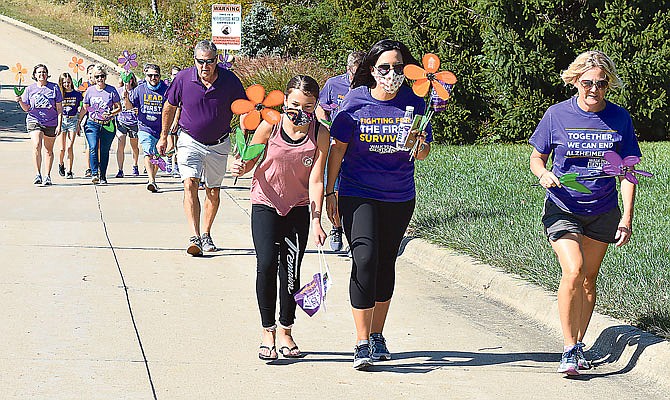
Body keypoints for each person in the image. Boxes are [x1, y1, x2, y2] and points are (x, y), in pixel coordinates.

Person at [529, 50, 641, 376]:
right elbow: (537, 157)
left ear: (608, 85)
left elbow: (629, 173)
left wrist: (627, 219)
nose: (594, 89)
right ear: (576, 80)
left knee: (589, 280)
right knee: (574, 270)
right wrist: (542, 173)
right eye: (588, 82)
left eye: (601, 84)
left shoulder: (620, 118)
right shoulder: (557, 115)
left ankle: (578, 344)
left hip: (603, 210)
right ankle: (567, 348)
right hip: (563, 206)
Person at [325, 39, 432, 370]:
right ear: (371, 70)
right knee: (366, 258)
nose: (391, 74)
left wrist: (420, 144)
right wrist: (331, 193)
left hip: (398, 195)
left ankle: (376, 335)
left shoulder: (414, 103)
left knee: (385, 263)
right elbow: (337, 151)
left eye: (398, 68)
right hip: (358, 192)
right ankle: (360, 341)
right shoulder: (354, 103)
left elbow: (423, 153)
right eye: (384, 68)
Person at [231, 75, 329, 361]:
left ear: (315, 106)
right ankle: (267, 331)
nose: (301, 111)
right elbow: (250, 160)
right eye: (295, 104)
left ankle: (286, 331)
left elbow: (316, 180)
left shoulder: (320, 133)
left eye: (308, 106)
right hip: (266, 203)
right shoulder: (270, 125)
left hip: (297, 208)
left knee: (290, 271)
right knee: (266, 265)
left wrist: (317, 220)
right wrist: (241, 165)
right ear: (285, 100)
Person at [158, 40, 247, 255]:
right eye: (200, 62)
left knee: (213, 191)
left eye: (209, 61)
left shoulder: (230, 80)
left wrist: (243, 140)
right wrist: (164, 136)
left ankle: (206, 234)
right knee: (190, 184)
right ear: (194, 60)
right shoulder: (183, 79)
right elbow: (169, 106)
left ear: (217, 60)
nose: (205, 66)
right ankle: (194, 235)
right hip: (189, 140)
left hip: (219, 143)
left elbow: (244, 109)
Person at [317, 50, 365, 252]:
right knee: (334, 190)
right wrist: (324, 124)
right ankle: (336, 227)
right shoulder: (333, 84)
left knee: (355, 192)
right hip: (336, 145)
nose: (357, 79)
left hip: (358, 148)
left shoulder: (369, 87)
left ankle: (353, 233)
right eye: (354, 74)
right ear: (347, 70)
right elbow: (321, 108)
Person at [16, 64, 63, 186]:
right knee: (37, 144)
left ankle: (47, 176)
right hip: (34, 120)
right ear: (35, 75)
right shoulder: (30, 89)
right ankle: (38, 174)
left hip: (51, 122)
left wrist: (59, 125)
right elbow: (26, 108)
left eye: (44, 72)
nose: (42, 74)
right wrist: (20, 100)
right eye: (39, 72)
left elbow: (59, 109)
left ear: (47, 74)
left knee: (48, 150)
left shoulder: (54, 88)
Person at [76, 65, 122, 185]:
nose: (100, 79)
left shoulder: (111, 90)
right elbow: (84, 108)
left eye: (102, 76)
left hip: (107, 124)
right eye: (97, 77)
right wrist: (78, 122)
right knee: (93, 146)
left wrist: (111, 113)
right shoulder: (90, 91)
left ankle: (103, 175)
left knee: (104, 150)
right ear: (93, 78)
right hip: (92, 123)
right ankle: (94, 173)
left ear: (105, 77)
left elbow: (119, 107)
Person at [127, 64, 168, 192]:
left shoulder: (166, 90)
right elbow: (129, 106)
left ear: (160, 76)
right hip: (145, 127)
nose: (153, 78)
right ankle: (151, 180)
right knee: (148, 152)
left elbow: (173, 108)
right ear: (145, 76)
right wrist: (125, 96)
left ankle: (153, 179)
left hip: (161, 129)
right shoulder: (140, 89)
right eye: (150, 75)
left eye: (155, 75)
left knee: (157, 155)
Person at [57, 72, 83, 179]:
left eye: (68, 82)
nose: (66, 84)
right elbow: (57, 109)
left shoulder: (77, 94)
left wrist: (79, 123)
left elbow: (83, 107)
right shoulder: (60, 94)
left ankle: (70, 170)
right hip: (62, 121)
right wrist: (58, 125)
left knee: (69, 146)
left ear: (71, 82)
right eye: (64, 83)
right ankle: (61, 163)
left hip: (73, 120)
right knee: (62, 148)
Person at [115, 73, 140, 178]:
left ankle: (135, 164)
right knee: (121, 144)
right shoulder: (118, 91)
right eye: (124, 80)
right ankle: (120, 169)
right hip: (121, 121)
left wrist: (127, 98)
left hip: (133, 122)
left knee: (134, 146)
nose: (126, 83)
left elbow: (132, 107)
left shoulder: (136, 92)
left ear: (132, 80)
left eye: (128, 80)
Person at [166, 66, 182, 178]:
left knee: (178, 145)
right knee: (170, 144)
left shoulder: (182, 88)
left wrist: (176, 121)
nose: (175, 77)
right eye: (173, 74)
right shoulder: (167, 88)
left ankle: (176, 165)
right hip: (168, 120)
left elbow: (179, 106)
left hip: (179, 121)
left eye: (177, 74)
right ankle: (168, 161)